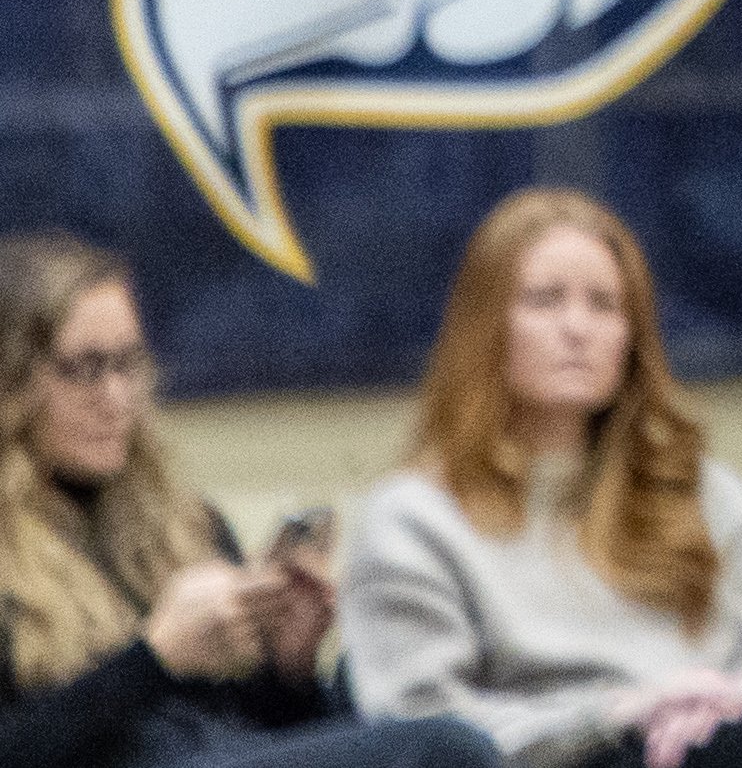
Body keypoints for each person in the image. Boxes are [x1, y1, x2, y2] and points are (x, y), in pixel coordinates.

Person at [336, 194, 742, 768]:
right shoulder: (414, 517)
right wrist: (615, 715)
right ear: (484, 326)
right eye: (544, 301)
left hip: (712, 746)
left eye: (605, 305)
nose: (578, 329)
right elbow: (419, 728)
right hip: (558, 759)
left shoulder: (702, 492)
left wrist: (721, 702)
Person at [0, 237, 493, 768]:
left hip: (227, 755)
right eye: (83, 368)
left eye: (127, 363)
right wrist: (153, 659)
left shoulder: (189, 524)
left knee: (409, 723)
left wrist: (290, 666)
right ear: (14, 380)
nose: (115, 397)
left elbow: (268, 736)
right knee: (449, 749)